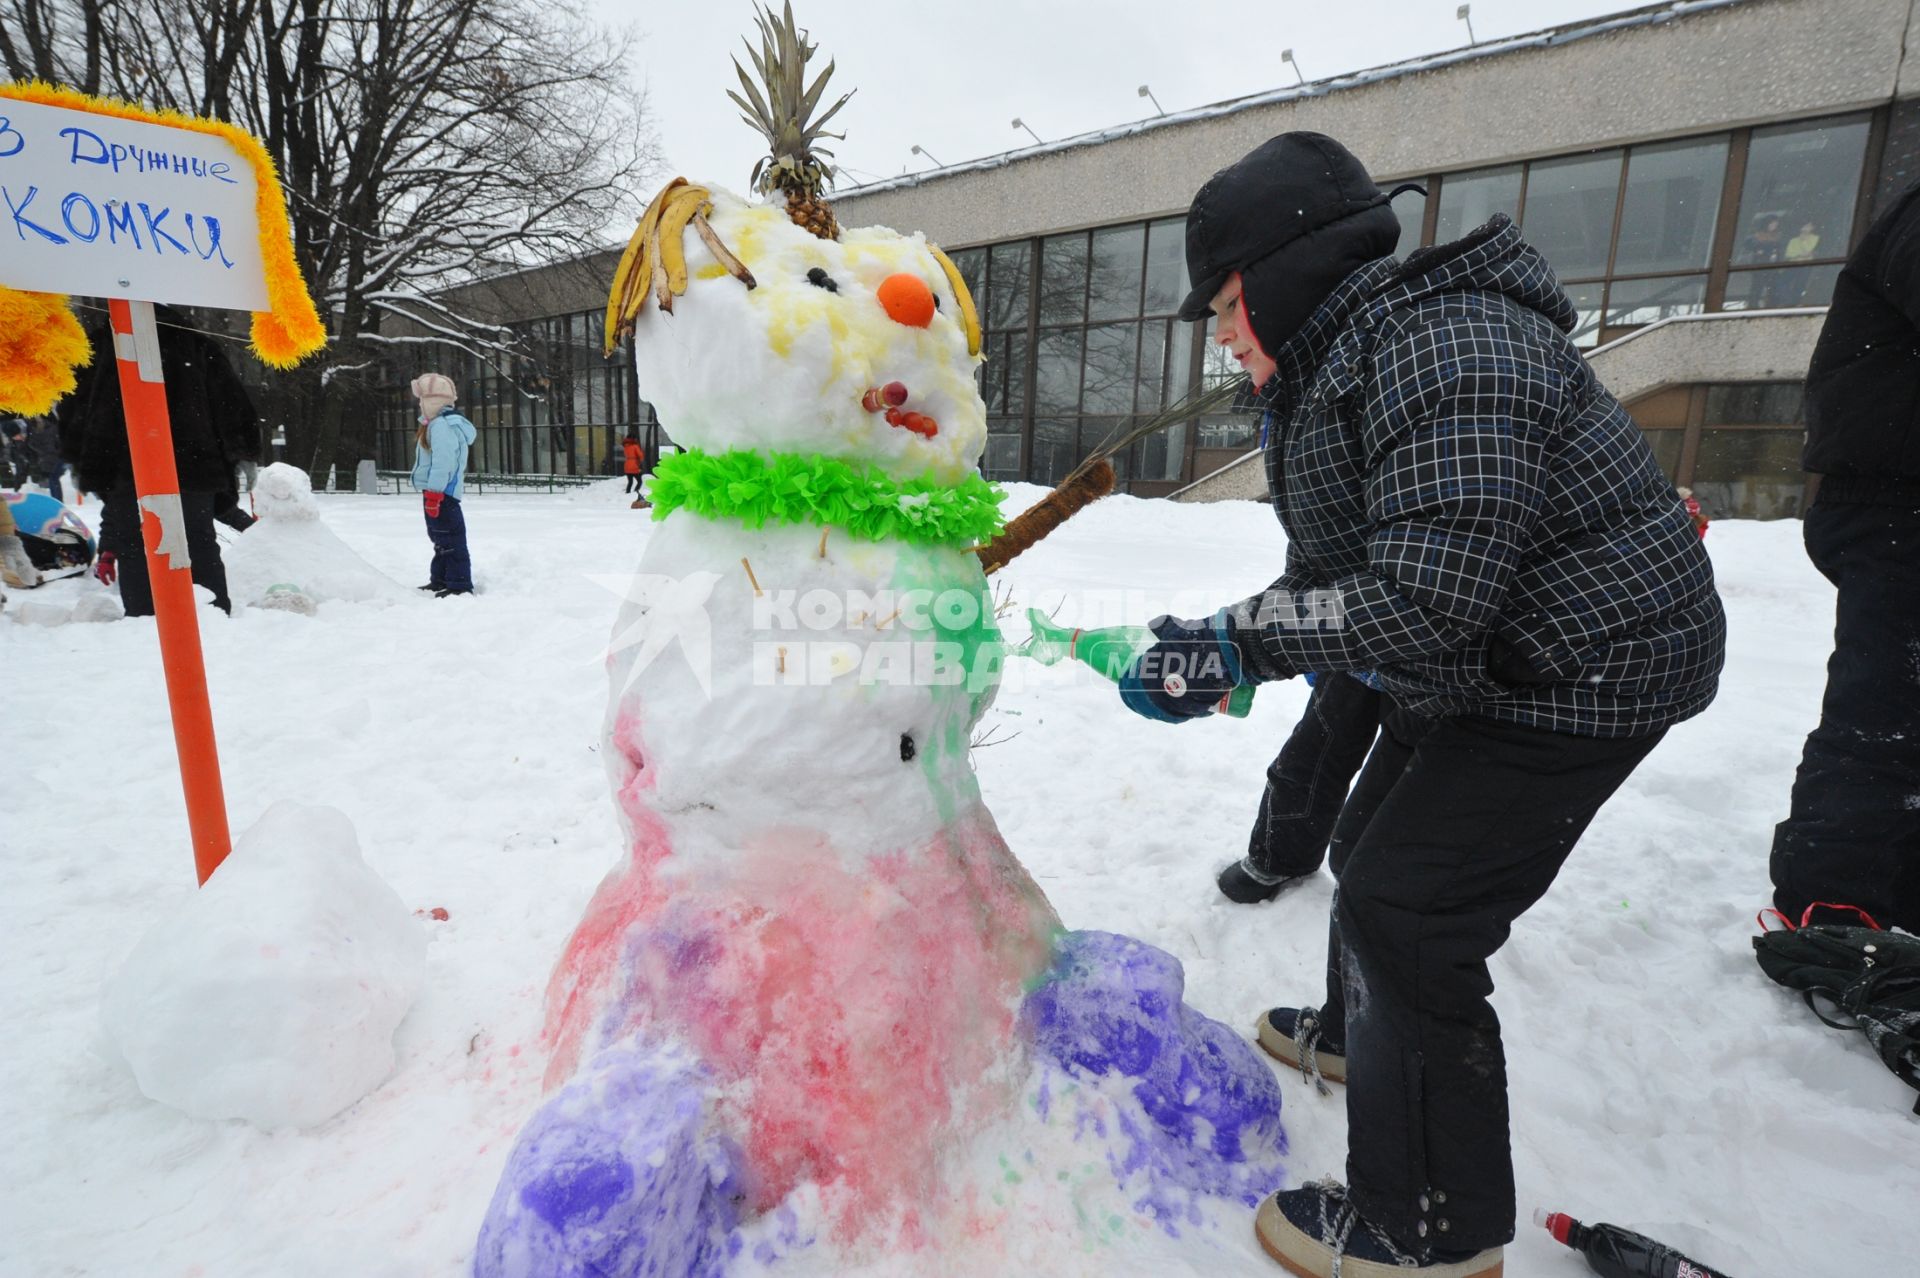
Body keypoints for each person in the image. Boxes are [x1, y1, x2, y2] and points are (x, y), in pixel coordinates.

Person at [1113, 132, 1725, 1276]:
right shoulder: (1344, 364)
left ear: (1292, 273)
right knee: (1367, 843)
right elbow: (1341, 573)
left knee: (1411, 913)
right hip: (1503, 650)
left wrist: (1240, 650)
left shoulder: (1446, 349)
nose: (1222, 330)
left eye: (1229, 300)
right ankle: (1361, 1038)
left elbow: (1424, 602)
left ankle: (1430, 1231)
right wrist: (1222, 646)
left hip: (1594, 665)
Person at [1770, 184, 1920, 938]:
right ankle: (1835, 905)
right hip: (1895, 503)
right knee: (1888, 713)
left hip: (1891, 496)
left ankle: (1894, 890)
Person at [61, 308, 261, 616]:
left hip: (124, 464)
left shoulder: (101, 345)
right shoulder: (196, 343)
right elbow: (230, 403)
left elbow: (75, 407)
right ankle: (213, 613)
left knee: (135, 545)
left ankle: (144, 618)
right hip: (194, 463)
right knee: (198, 541)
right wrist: (241, 451)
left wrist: (81, 456)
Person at [1218, 671, 1380, 904]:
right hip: (1358, 660)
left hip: (1434, 676)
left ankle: (1384, 885)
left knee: (1401, 778)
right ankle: (1282, 858)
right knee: (1314, 752)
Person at [409, 373, 477, 597]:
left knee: (450, 539)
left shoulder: (441, 426)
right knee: (440, 538)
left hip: (441, 493)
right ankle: (440, 579)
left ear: (431, 402)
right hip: (437, 492)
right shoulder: (439, 424)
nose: (420, 406)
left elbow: (443, 462)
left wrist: (434, 493)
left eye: (422, 402)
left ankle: (459, 584)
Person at [622, 429, 645, 497]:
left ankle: (627, 493)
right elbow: (640, 455)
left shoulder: (626, 447)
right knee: (639, 481)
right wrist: (641, 461)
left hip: (627, 465)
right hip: (634, 465)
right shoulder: (635, 446)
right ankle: (635, 493)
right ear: (633, 439)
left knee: (630, 482)